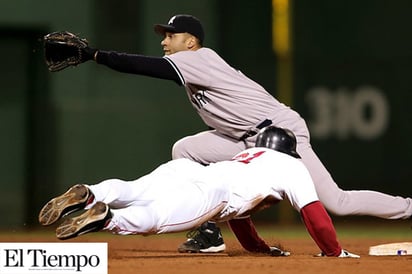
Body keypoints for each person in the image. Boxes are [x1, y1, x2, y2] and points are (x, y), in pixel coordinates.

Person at [71, 14, 412, 253]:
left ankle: (408, 207)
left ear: (190, 42)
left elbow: (147, 67)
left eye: (170, 35)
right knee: (186, 149)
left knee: (336, 201)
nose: (164, 41)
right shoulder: (192, 69)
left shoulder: (199, 57)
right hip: (244, 138)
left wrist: (97, 55)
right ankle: (208, 233)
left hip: (282, 133)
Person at [38, 126, 359, 258]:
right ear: (290, 151)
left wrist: (261, 249)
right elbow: (315, 215)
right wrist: (334, 252)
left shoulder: (247, 158)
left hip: (191, 170)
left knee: (134, 189)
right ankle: (108, 219)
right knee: (156, 219)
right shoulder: (291, 166)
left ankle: (93, 194)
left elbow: (240, 219)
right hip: (214, 191)